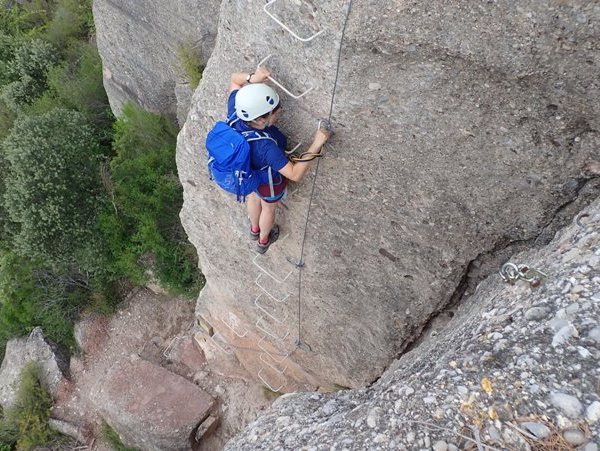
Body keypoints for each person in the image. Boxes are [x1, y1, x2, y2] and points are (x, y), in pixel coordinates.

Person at [228, 67, 331, 253]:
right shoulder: (266, 148)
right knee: (268, 208)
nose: (279, 111)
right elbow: (294, 174)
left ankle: (254, 230)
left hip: (248, 175)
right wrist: (316, 143)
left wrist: (254, 78)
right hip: (268, 183)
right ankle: (263, 240)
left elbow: (235, 80)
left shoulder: (236, 114)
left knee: (253, 196)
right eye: (274, 111)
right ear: (260, 120)